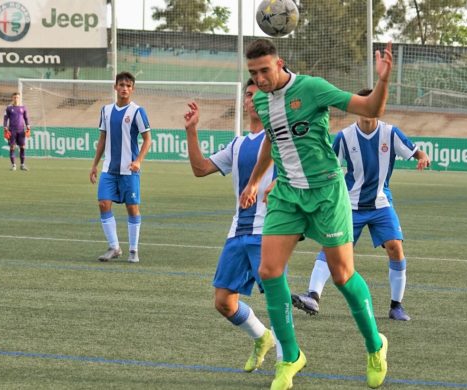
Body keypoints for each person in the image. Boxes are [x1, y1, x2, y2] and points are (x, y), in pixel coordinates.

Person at [239, 38, 393, 390]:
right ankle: (290, 356)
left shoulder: (312, 88)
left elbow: (371, 107)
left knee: (342, 276)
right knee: (269, 271)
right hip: (287, 194)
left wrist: (382, 81)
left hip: (326, 193)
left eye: (264, 70)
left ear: (280, 64)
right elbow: (272, 140)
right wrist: (254, 182)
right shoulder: (261, 99)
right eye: (253, 73)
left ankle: (375, 344)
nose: (259, 79)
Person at [291, 88, 431, 321]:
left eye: (372, 105)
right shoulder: (345, 137)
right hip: (349, 205)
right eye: (363, 105)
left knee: (395, 247)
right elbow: (330, 169)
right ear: (356, 109)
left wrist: (423, 157)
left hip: (380, 203)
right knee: (331, 247)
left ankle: (396, 305)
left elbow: (417, 151)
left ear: (379, 109)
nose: (368, 111)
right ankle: (313, 296)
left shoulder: (391, 133)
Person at [183, 79, 280, 373]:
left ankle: (286, 360)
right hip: (238, 231)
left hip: (270, 230)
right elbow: (200, 169)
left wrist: (274, 185)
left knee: (277, 299)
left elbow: (298, 171)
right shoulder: (238, 144)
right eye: (248, 95)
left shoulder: (279, 137)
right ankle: (262, 337)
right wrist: (191, 131)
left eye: (255, 95)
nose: (250, 100)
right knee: (224, 301)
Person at [89, 71, 152, 263]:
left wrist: (139, 160)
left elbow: (147, 139)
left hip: (129, 170)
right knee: (103, 204)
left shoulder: (137, 111)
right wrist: (94, 165)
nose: (124, 88)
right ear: (115, 87)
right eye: (121, 85)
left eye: (128, 85)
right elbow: (102, 139)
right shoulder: (105, 110)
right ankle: (114, 247)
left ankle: (133, 250)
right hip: (109, 169)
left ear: (132, 89)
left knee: (132, 209)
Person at [3, 92, 31, 171]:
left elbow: (26, 118)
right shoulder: (9, 108)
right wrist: (5, 126)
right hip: (12, 130)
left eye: (17, 97)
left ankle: (22, 165)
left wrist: (28, 125)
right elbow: (5, 118)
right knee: (12, 147)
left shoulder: (23, 107)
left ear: (19, 98)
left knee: (22, 147)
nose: (16, 99)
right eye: (14, 97)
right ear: (12, 98)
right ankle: (13, 165)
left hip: (21, 130)